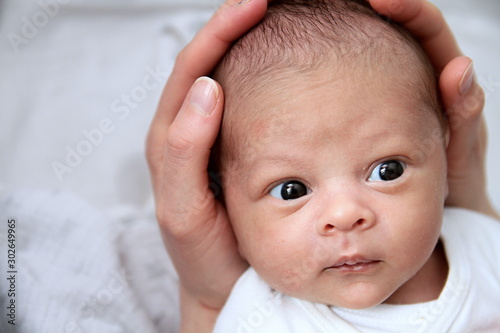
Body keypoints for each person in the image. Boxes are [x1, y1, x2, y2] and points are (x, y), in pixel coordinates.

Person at [145, 0, 499, 331]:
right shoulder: (259, 319)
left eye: (388, 170)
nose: (345, 215)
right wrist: (205, 303)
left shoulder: (483, 246)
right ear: (225, 205)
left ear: (443, 150)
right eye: (291, 190)